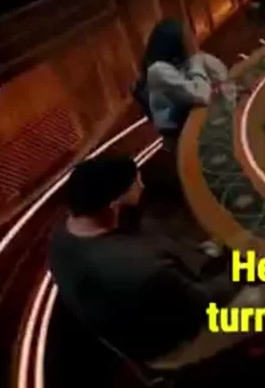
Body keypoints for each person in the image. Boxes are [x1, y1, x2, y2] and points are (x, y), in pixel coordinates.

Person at [48, 155, 238, 362]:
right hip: (172, 344)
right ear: (115, 206)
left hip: (130, 326)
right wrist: (240, 272)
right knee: (259, 293)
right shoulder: (143, 268)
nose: (143, 186)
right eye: (137, 184)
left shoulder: (60, 237)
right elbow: (204, 303)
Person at [133, 20, 229, 143]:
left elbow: (222, 74)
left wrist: (198, 55)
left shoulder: (183, 60)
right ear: (174, 42)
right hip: (181, 134)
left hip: (196, 119)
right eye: (188, 37)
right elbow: (203, 96)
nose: (192, 39)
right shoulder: (157, 71)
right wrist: (195, 57)